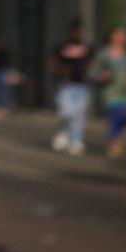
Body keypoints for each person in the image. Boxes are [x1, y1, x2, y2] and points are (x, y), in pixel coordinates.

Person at [89, 26, 126, 159]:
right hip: (110, 91)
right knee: (116, 115)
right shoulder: (104, 54)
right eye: (117, 34)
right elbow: (92, 72)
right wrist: (101, 76)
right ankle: (115, 142)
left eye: (122, 35)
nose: (120, 38)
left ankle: (116, 138)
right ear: (111, 36)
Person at [52, 20, 92, 155]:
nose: (78, 34)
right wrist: (61, 73)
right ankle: (63, 132)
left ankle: (76, 141)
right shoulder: (62, 48)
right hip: (66, 86)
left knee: (78, 115)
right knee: (66, 112)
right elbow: (54, 63)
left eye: (80, 32)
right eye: (75, 32)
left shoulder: (86, 48)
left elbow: (90, 65)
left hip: (81, 86)